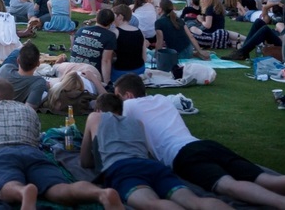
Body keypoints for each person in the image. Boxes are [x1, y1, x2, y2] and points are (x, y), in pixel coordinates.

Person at [115, 73, 285, 208]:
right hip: (204, 144)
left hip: (183, 155)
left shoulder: (129, 106)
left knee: (228, 185)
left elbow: (115, 128)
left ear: (128, 95)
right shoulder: (162, 99)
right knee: (265, 179)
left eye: (118, 97)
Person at [0, 79, 123, 210]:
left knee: (5, 185)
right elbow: (36, 139)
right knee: (59, 188)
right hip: (33, 153)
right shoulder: (29, 111)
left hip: (0, 154)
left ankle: (23, 192)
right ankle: (100, 194)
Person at [81, 93, 230, 210]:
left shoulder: (95, 117)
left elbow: (85, 161)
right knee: (195, 201)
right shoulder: (137, 123)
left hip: (123, 169)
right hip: (152, 166)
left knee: (152, 204)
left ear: (98, 110)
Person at [0, 41, 49, 109]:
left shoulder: (5, 68)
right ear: (38, 63)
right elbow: (29, 109)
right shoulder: (39, 82)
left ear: (18, 61)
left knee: (17, 52)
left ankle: (22, 47)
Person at [70, 9, 117, 85]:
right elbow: (106, 61)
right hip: (91, 75)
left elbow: (73, 49)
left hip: (72, 70)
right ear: (111, 23)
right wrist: (106, 83)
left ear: (97, 18)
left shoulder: (81, 30)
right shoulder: (110, 36)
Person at [109, 4, 146, 82]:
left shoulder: (115, 33)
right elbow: (144, 57)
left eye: (114, 16)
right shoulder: (140, 32)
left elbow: (108, 58)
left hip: (120, 72)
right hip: (139, 70)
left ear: (120, 17)